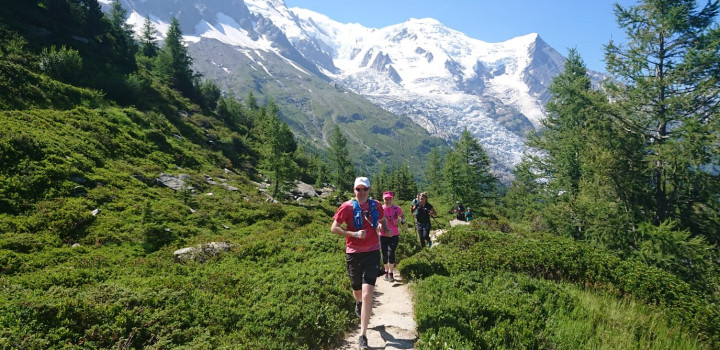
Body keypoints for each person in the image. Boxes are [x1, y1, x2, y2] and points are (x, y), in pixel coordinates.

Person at [330, 176, 387, 350]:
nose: (361, 192)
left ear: (369, 190)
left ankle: (362, 335)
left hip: (372, 252)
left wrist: (383, 227)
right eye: (358, 189)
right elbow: (334, 228)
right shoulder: (346, 207)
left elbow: (382, 220)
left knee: (368, 292)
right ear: (354, 190)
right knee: (357, 290)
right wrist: (353, 234)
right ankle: (359, 303)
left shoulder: (376, 205)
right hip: (353, 253)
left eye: (365, 189)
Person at [381, 191, 405, 282]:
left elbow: (402, 215)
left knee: (391, 253)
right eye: (386, 199)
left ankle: (391, 273)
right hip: (383, 235)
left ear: (392, 199)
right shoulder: (380, 209)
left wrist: (403, 220)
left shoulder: (397, 209)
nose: (388, 200)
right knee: (384, 255)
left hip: (394, 235)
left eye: (389, 198)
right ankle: (386, 271)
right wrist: (379, 225)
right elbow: (376, 219)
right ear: (383, 199)